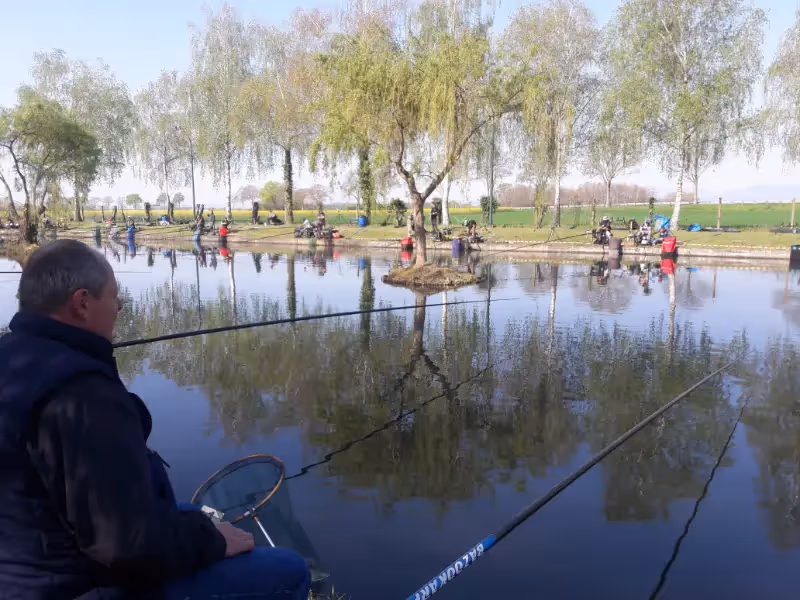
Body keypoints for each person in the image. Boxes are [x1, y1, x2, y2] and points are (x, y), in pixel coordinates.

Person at [0, 240, 311, 600]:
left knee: (192, 512)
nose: (118, 306)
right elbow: (124, 545)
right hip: (72, 584)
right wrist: (209, 539)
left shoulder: (14, 355)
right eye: (114, 296)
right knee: (288, 571)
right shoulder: (82, 393)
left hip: (27, 559)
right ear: (82, 302)